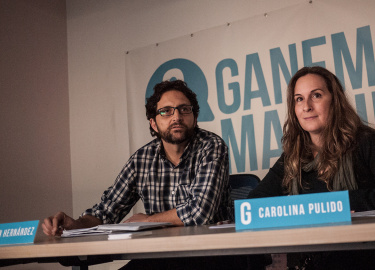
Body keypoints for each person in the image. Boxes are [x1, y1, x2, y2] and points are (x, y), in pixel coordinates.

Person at [42, 80, 241, 269]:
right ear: (153, 123)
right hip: (161, 257)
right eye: (166, 111)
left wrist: (148, 220)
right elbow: (108, 210)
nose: (177, 117)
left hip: (211, 255)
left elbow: (200, 212)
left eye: (184, 109)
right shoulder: (142, 159)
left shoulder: (212, 146)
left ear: (194, 117)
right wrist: (75, 225)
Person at [248, 66, 375, 269]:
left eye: (316, 95)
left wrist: (341, 203)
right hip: (312, 261)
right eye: (299, 99)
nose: (306, 106)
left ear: (335, 100)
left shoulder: (367, 143)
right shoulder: (292, 157)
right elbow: (254, 204)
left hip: (370, 258)